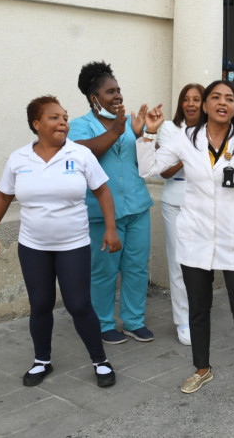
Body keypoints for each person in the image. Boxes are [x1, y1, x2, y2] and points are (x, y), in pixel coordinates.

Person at [137, 80, 234, 408]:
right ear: (205, 106)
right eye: (215, 98)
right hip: (195, 236)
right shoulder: (186, 139)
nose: (222, 103)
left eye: (229, 98)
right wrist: (148, 135)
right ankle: (202, 368)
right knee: (199, 307)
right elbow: (148, 169)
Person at [0, 96, 120, 388]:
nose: (63, 123)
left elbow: (102, 191)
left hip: (73, 244)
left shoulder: (79, 154)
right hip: (33, 246)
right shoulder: (19, 159)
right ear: (37, 124)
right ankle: (42, 360)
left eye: (65, 117)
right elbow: (4, 196)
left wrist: (110, 229)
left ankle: (100, 360)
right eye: (55, 117)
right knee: (40, 304)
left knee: (79, 305)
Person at [68, 61, 154, 345]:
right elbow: (85, 154)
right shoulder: (79, 126)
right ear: (93, 97)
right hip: (101, 213)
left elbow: (142, 161)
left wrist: (144, 134)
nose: (117, 96)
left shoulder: (129, 123)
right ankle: (103, 322)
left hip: (137, 207)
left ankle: (133, 321)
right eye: (110, 92)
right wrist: (117, 130)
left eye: (118, 90)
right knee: (104, 270)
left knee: (137, 266)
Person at [157, 83, 205, 346]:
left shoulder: (214, 128)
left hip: (205, 202)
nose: (190, 104)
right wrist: (190, 154)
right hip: (175, 201)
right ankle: (182, 320)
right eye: (186, 99)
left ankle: (199, 313)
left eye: (196, 99)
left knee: (202, 261)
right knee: (178, 263)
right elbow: (164, 170)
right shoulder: (169, 128)